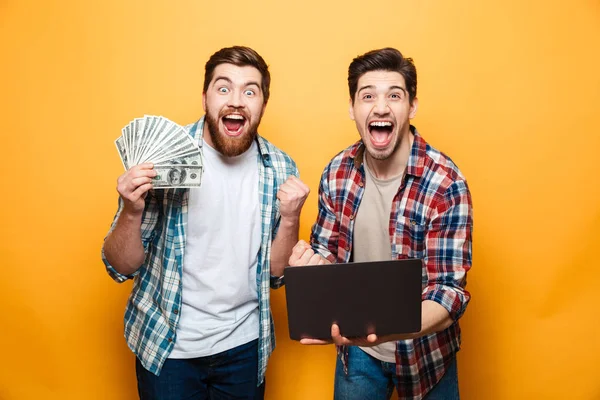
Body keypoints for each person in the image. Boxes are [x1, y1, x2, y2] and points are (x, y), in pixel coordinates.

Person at [102, 46, 310, 400]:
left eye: (250, 91)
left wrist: (290, 218)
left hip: (246, 348)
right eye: (224, 88)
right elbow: (120, 266)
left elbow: (277, 275)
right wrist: (131, 210)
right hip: (170, 349)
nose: (236, 101)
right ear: (205, 98)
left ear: (262, 104)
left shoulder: (281, 168)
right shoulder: (163, 158)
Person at [289, 48, 473, 400]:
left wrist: (384, 329)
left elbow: (449, 292)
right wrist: (310, 268)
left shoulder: (446, 184)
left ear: (412, 106)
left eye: (394, 95)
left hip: (427, 357)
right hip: (358, 355)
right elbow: (328, 254)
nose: (381, 106)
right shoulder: (338, 171)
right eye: (368, 95)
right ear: (352, 108)